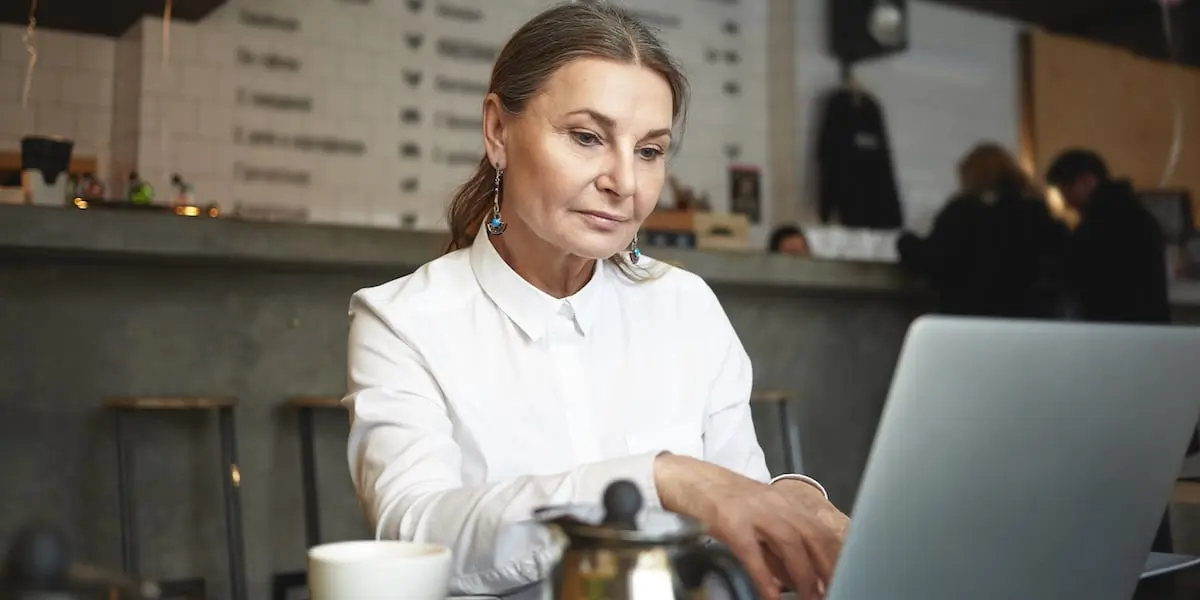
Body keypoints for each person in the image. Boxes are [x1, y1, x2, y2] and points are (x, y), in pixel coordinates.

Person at [341, 3, 848, 600]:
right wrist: (658, 479)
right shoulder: (402, 320)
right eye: (587, 138)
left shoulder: (686, 305)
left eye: (650, 151)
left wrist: (791, 501)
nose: (625, 182)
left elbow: (738, 507)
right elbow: (415, 532)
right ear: (498, 132)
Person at [896, 143, 1069, 318]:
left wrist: (905, 241)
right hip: (1028, 317)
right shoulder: (1035, 211)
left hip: (969, 317)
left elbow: (934, 259)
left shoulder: (962, 212)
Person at [1045, 149, 1172, 324]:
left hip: (1113, 327)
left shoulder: (1098, 223)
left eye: (1066, 191)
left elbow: (1083, 278)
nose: (1067, 202)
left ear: (1086, 180)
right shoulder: (1137, 214)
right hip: (1147, 326)